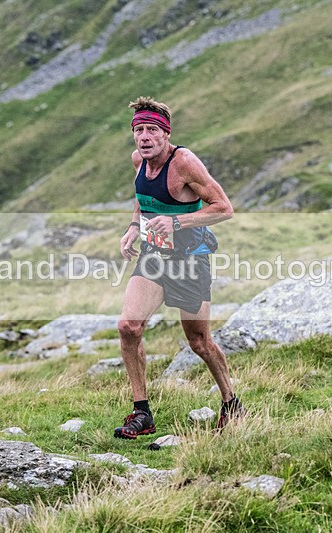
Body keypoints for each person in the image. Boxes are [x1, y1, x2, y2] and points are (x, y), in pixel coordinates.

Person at [115, 96, 244, 438]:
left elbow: (224, 208)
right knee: (129, 327)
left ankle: (231, 402)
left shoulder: (184, 162)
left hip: (191, 261)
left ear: (165, 134)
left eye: (152, 130)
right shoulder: (137, 161)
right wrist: (132, 228)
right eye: (139, 130)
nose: (144, 137)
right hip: (155, 257)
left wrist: (177, 223)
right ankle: (142, 413)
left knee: (199, 342)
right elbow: (143, 202)